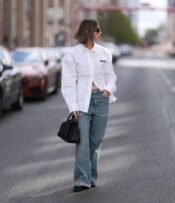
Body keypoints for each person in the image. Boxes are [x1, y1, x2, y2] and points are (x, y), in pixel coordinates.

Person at [61, 19, 117, 193]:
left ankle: (92, 176)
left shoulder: (104, 52)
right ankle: (82, 180)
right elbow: (68, 83)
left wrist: (107, 90)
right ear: (90, 31)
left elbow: (111, 77)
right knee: (83, 141)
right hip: (82, 102)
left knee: (96, 141)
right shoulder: (72, 54)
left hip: (101, 100)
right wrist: (72, 106)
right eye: (98, 30)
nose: (100, 33)